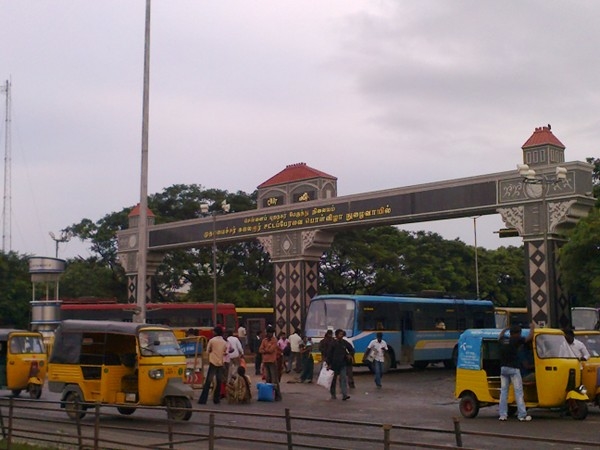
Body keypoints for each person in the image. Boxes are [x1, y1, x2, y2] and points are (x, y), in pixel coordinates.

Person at [498, 323, 534, 421]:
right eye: (520, 333)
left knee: (503, 392)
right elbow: (529, 338)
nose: (520, 335)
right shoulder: (516, 339)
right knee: (518, 392)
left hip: (503, 369)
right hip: (513, 369)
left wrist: (505, 328)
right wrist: (532, 328)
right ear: (517, 333)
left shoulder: (504, 340)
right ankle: (522, 414)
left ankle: (502, 415)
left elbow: (500, 336)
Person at [198, 326, 228, 405]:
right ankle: (216, 399)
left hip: (213, 361)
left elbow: (207, 351)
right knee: (219, 381)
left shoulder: (212, 340)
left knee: (208, 381)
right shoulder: (224, 342)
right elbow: (225, 352)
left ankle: (203, 399)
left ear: (215, 332)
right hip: (220, 362)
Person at [326, 328, 353, 401]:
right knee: (333, 380)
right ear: (336, 335)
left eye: (342, 334)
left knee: (343, 379)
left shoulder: (344, 343)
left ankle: (344, 394)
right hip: (334, 364)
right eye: (340, 334)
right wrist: (328, 364)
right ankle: (333, 394)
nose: (341, 336)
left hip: (343, 364)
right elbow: (329, 354)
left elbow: (351, 349)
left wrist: (349, 355)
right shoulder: (333, 343)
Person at [259, 326, 282, 401]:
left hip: (272, 362)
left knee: (274, 380)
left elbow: (271, 350)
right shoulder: (264, 340)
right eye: (268, 333)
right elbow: (260, 350)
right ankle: (269, 395)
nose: (269, 334)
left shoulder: (274, 340)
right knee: (267, 378)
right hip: (265, 362)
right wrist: (266, 350)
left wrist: (265, 350)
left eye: (270, 333)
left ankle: (277, 395)